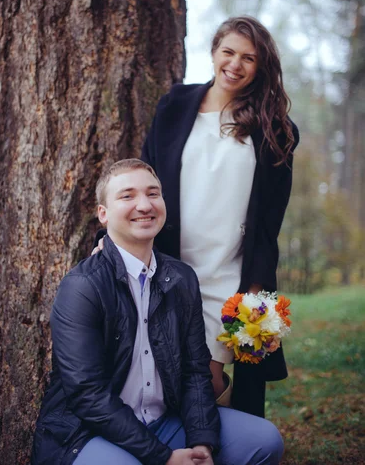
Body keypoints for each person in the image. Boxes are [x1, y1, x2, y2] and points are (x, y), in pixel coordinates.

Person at [94, 16, 299, 418]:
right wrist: (117, 240)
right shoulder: (175, 105)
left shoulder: (274, 129)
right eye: (228, 52)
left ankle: (218, 448)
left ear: (261, 66)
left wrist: (254, 293)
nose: (235, 65)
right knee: (153, 377)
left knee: (206, 383)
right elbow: (145, 179)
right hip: (167, 269)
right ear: (213, 51)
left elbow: (269, 222)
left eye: (248, 58)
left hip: (227, 277)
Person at [31, 159, 284, 465]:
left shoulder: (181, 278)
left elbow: (195, 371)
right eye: (127, 196)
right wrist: (163, 458)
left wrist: (203, 443)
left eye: (153, 194)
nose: (144, 204)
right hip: (89, 433)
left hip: (165, 422)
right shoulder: (83, 287)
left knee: (264, 441)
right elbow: (88, 395)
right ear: (103, 214)